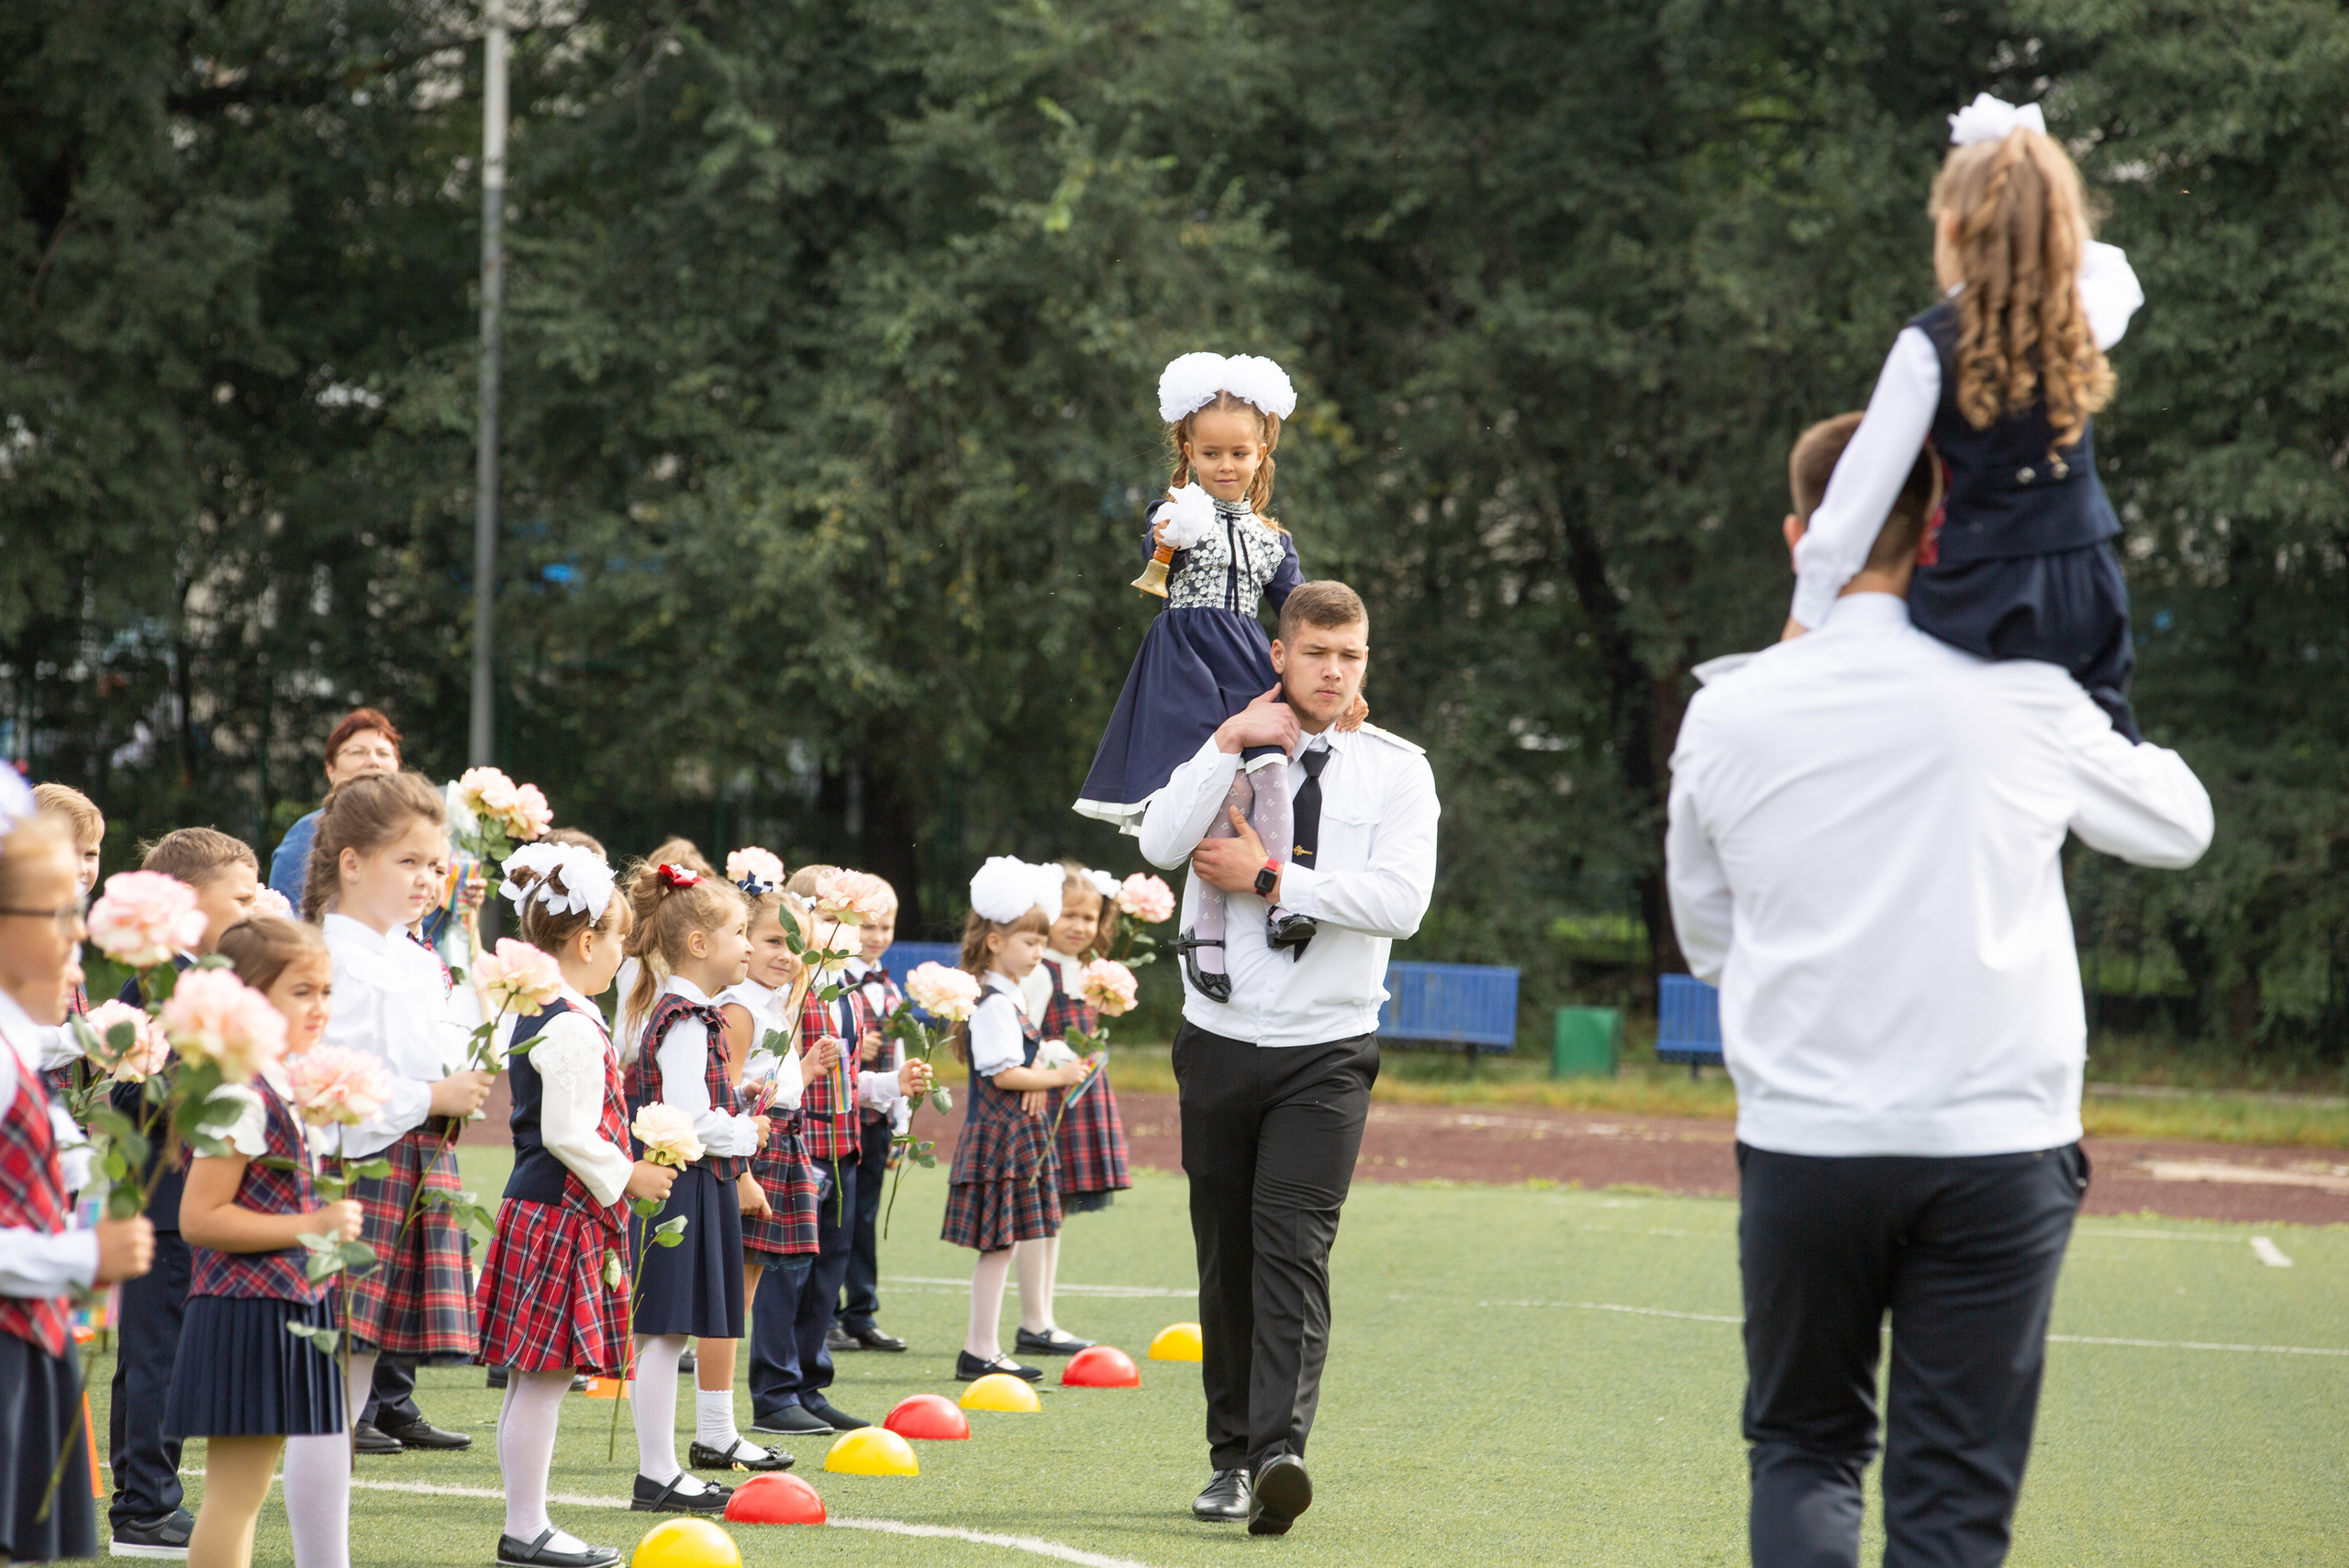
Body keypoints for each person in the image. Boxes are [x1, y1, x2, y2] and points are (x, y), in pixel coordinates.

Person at [1666, 413, 2213, 1568]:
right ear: (1939, 532)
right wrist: (2087, 671)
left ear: (1799, 536)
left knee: (1804, 1447)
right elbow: (2178, 825)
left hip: (1807, 1138)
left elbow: (1707, 940)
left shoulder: (1727, 708)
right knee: (1952, 1492)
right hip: (1994, 1143)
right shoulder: (2022, 692)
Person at [1139, 578, 1437, 1536]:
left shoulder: (1396, 770)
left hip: (1327, 1051)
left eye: (1350, 655)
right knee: (1227, 1256)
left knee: (1293, 1252)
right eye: (1316, 652)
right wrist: (1228, 739)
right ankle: (1229, 1459)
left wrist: (1271, 877)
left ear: (1365, 661)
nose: (1333, 670)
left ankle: (1277, 1456)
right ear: (1280, 654)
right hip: (1218, 1042)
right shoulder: (1224, 746)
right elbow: (1160, 842)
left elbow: (1401, 902)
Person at [1785, 94, 2148, 740]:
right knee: (2103, 741)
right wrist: (2041, 226)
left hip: (1980, 597)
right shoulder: (2084, 317)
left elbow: (1853, 506)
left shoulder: (1927, 348)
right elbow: (2117, 269)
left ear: (1951, 229)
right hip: (2084, 584)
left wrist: (1802, 622)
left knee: (1946, 736)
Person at [1076, 353, 1330, 1000]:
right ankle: (1205, 930)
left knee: (1268, 774)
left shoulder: (1273, 538)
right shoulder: (1176, 514)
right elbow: (1154, 552)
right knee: (1218, 793)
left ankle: (1279, 898)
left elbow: (1299, 611)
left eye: (1239, 453)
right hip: (1186, 666)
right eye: (1211, 453)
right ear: (1189, 451)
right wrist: (1168, 530)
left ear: (1261, 451)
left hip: (1246, 663)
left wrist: (1335, 678)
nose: (1225, 465)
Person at [476, 841, 684, 1568]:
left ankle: (526, 1522)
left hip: (547, 1210)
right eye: (620, 938)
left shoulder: (556, 1009)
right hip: (559, 1216)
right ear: (587, 941)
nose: (625, 953)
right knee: (546, 1376)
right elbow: (567, 1133)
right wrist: (630, 1174)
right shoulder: (567, 1018)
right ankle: (526, 1527)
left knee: (536, 1377)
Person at [307, 773, 495, 1454]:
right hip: (356, 1171)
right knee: (330, 1385)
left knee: (357, 1375)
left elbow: (456, 1050)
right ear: (352, 862)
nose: (427, 879)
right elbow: (328, 1090)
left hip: (413, 1158)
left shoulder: (413, 959)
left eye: (437, 865)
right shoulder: (331, 958)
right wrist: (431, 1098)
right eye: (408, 860)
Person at [171, 917, 361, 1568]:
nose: (320, 1006)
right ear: (250, 999)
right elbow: (200, 1217)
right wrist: (312, 1225)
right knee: (235, 1495)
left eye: (326, 991)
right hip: (244, 1312)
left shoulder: (282, 1084)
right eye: (301, 991)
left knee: (247, 1494)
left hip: (286, 1307)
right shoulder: (241, 1092)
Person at [0, 801, 155, 1565]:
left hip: (29, 1330)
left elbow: (57, 1149)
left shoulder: (17, 1049)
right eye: (52, 920)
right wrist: (79, 1256)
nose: (74, 947)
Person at [106, 827, 262, 1559]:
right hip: (163, 1199)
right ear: (189, 903)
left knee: (167, 1354)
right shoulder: (156, 982)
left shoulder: (209, 978)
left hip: (193, 1200)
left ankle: (147, 1496)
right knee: (156, 1356)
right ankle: (145, 1506)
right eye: (242, 897)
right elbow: (124, 1089)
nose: (255, 909)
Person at [618, 861, 763, 1514]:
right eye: (740, 933)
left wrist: (738, 1104)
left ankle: (663, 1469)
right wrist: (747, 1130)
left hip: (696, 1184)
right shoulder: (685, 1019)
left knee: (671, 1332)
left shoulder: (696, 1015)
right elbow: (688, 1119)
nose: (749, 947)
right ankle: (657, 1473)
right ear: (700, 943)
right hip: (679, 1185)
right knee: (664, 1332)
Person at [942, 859, 1095, 1386]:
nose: (1037, 952)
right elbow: (1004, 1074)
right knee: (998, 1245)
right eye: (1029, 942)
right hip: (999, 1137)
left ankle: (984, 1347)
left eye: (1040, 942)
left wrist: (1045, 1064)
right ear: (994, 942)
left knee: (1003, 1244)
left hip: (1013, 1136)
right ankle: (979, 1349)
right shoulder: (993, 1003)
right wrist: (1059, 1076)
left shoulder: (1008, 995)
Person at [718, 883, 838, 1440]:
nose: (786, 954)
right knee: (729, 1299)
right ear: (744, 939)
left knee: (743, 1294)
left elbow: (768, 1085)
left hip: (779, 1145)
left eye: (798, 945)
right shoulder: (740, 1008)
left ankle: (723, 1421)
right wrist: (742, 1173)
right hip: (750, 1154)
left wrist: (805, 1069)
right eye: (773, 940)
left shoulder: (773, 1006)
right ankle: (716, 1424)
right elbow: (722, 1095)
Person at [1009, 861, 1133, 1356]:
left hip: (1076, 1099)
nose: (1080, 926)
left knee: (1053, 1213)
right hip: (1046, 1097)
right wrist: (1053, 1063)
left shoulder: (1088, 971)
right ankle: (1034, 1322)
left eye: (1089, 917)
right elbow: (1026, 1035)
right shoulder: (1040, 972)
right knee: (1038, 1212)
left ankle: (1043, 1319)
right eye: (1069, 915)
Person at [831, 877, 909, 1355]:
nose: (878, 936)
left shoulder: (889, 986)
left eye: (886, 926)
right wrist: (857, 1049)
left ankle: (860, 1312)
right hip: (842, 1116)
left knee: (864, 1219)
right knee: (837, 1220)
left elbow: (898, 1054)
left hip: (877, 1118)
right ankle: (828, 1315)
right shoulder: (835, 980)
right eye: (869, 926)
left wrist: (902, 1120)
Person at [265, 709, 402, 905]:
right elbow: (286, 917)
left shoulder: (417, 829)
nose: (374, 761)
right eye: (358, 752)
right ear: (330, 769)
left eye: (384, 753)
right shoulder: (307, 833)